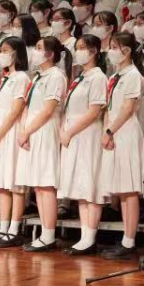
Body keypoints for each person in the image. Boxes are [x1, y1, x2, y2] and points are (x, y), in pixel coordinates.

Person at [15, 36, 68, 252]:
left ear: (50, 54)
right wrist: (23, 131)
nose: (34, 51)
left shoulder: (56, 76)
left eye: (39, 48)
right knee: (37, 184)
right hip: (31, 130)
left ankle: (49, 235)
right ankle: (45, 233)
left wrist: (27, 130)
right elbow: (27, 107)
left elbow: (48, 110)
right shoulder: (37, 76)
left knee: (46, 183)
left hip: (45, 130)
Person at [57, 35, 108, 255]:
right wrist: (63, 129)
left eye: (82, 48)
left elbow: (94, 111)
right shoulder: (79, 78)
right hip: (73, 135)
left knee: (89, 185)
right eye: (76, 48)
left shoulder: (98, 77)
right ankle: (83, 235)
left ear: (94, 51)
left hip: (87, 134)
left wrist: (70, 131)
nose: (77, 52)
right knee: (79, 186)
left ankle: (90, 238)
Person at [99, 32, 144, 260]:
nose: (111, 52)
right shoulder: (115, 76)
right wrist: (107, 131)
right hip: (114, 130)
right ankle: (126, 239)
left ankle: (129, 240)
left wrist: (110, 131)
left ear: (127, 51)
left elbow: (128, 109)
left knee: (129, 188)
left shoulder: (133, 75)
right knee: (122, 188)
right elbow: (110, 108)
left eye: (115, 47)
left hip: (125, 131)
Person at [0, 38, 31, 247]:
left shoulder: (21, 78)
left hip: (10, 133)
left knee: (14, 183)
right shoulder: (3, 78)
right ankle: (3, 228)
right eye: (0, 50)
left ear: (16, 53)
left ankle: (14, 229)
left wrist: (0, 133)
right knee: (3, 184)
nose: (1, 54)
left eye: (5, 50)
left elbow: (15, 110)